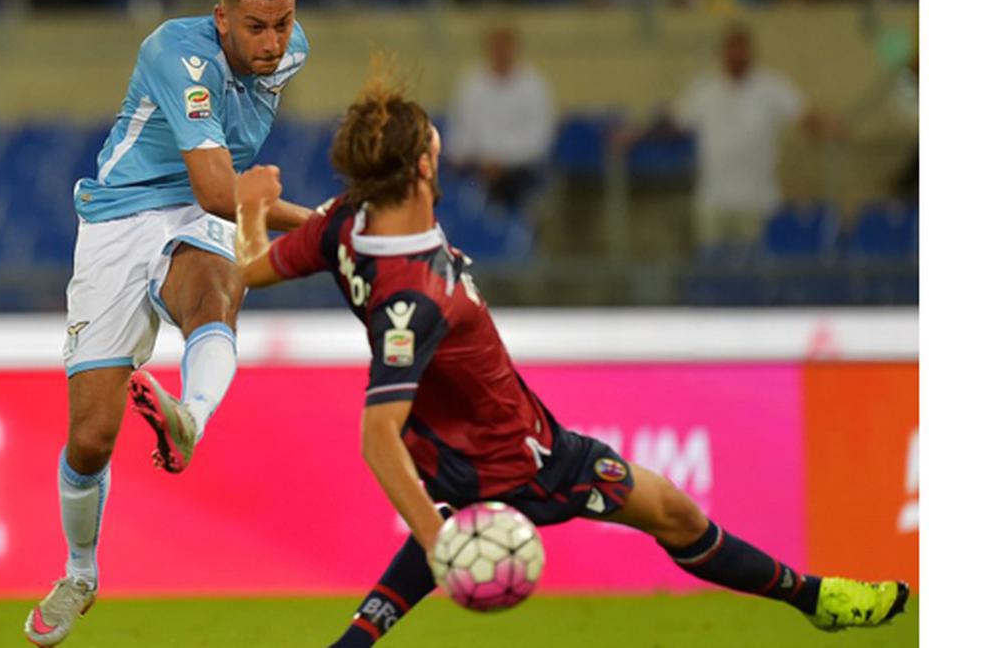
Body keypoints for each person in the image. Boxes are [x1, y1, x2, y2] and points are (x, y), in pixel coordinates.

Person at [232, 73, 908, 646]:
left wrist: (254, 210)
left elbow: (253, 268)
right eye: (434, 138)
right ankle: (816, 600)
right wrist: (443, 542)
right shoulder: (414, 294)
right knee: (672, 512)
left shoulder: (347, 222)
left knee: (461, 520)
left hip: (460, 447)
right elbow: (376, 436)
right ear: (424, 166)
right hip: (524, 457)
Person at [24, 0, 315, 647]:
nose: (273, 43)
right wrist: (327, 225)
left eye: (282, 22)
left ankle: (191, 416)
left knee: (215, 293)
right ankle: (81, 572)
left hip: (198, 217)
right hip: (119, 219)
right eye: (255, 27)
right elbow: (222, 187)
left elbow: (216, 204)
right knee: (91, 439)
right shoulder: (176, 53)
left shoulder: (292, 49)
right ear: (221, 19)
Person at [622, 23, 834, 250]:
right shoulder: (704, 89)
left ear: (750, 51)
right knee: (713, 270)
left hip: (758, 202)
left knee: (756, 272)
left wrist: (830, 126)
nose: (736, 55)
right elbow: (673, 123)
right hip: (714, 201)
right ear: (722, 52)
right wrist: (637, 135)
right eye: (731, 49)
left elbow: (803, 115)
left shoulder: (772, 87)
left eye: (741, 49)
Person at [446, 24, 556, 213]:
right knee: (458, 190)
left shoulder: (533, 85)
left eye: (504, 46)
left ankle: (512, 233)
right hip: (477, 170)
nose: (500, 52)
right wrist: (467, 156)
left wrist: (502, 160)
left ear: (515, 48)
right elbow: (460, 131)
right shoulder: (471, 84)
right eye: (495, 46)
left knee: (514, 188)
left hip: (520, 170)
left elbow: (540, 139)